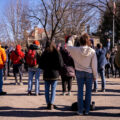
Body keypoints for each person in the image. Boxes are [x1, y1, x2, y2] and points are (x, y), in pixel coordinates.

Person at [66, 33, 98, 115]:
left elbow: (68, 46)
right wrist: (95, 76)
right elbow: (94, 65)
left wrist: (72, 37)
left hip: (79, 72)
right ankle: (87, 110)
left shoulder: (76, 50)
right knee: (88, 92)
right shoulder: (92, 51)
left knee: (80, 92)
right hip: (89, 72)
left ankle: (80, 110)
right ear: (88, 41)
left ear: (80, 41)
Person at [39, 40, 63, 110]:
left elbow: (40, 64)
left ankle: (48, 103)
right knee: (53, 89)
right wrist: (57, 69)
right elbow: (61, 63)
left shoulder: (44, 53)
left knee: (46, 90)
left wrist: (45, 68)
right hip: (54, 73)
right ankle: (51, 104)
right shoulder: (57, 52)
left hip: (46, 73)